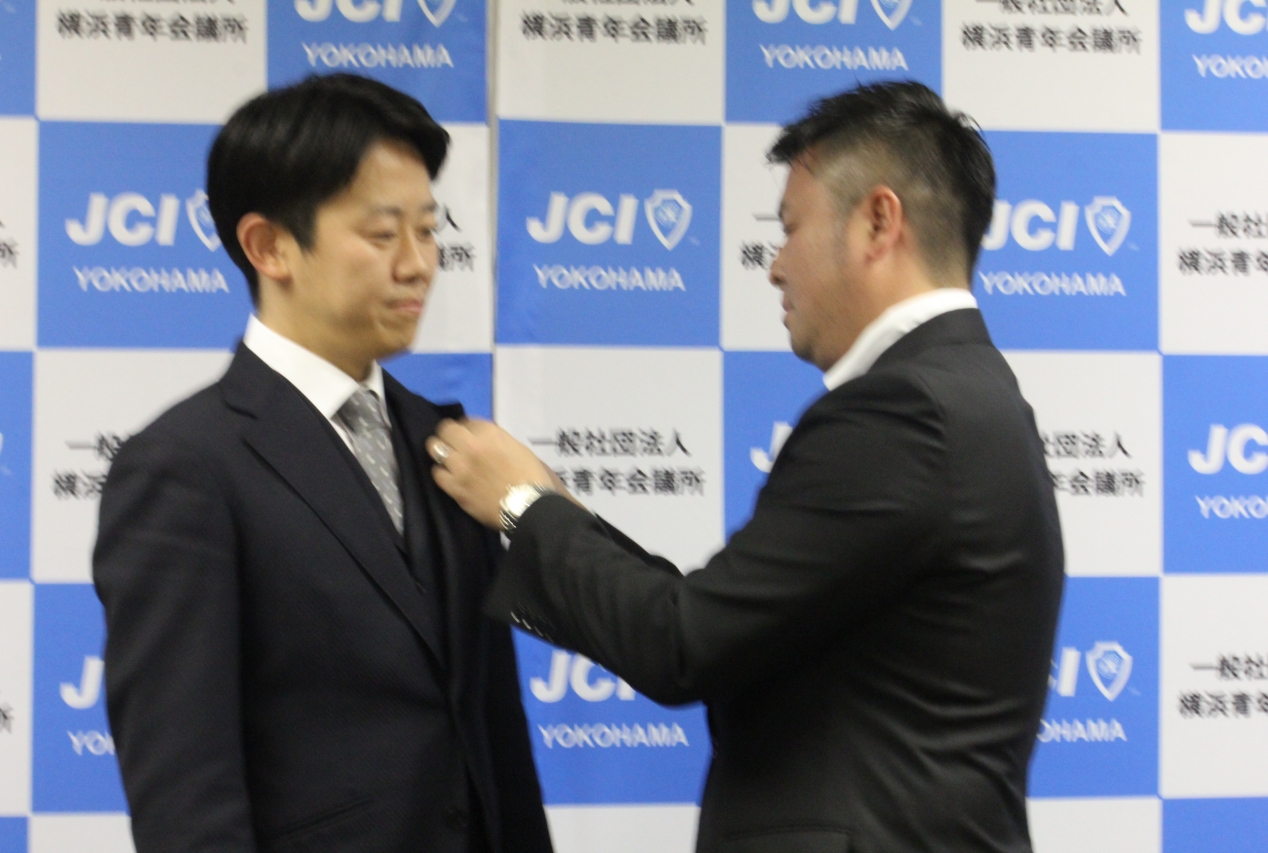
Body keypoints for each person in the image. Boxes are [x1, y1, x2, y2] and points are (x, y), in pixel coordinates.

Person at [428, 81, 1064, 853]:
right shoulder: (968, 391)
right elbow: (728, 623)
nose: (774, 266)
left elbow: (685, 643)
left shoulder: (904, 413)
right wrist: (558, 514)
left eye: (790, 228)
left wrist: (522, 506)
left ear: (878, 222)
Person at [93, 74, 552, 853]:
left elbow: (496, 734)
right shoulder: (184, 468)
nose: (418, 264)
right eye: (382, 234)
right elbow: (185, 795)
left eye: (429, 230)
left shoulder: (448, 444)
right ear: (269, 246)